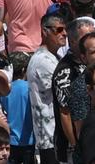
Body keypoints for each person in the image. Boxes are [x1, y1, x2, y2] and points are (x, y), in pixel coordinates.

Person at [27, 13, 65, 164]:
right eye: (59, 30)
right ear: (45, 31)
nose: (65, 33)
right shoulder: (43, 61)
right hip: (50, 138)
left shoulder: (54, 57)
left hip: (55, 137)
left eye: (65, 30)